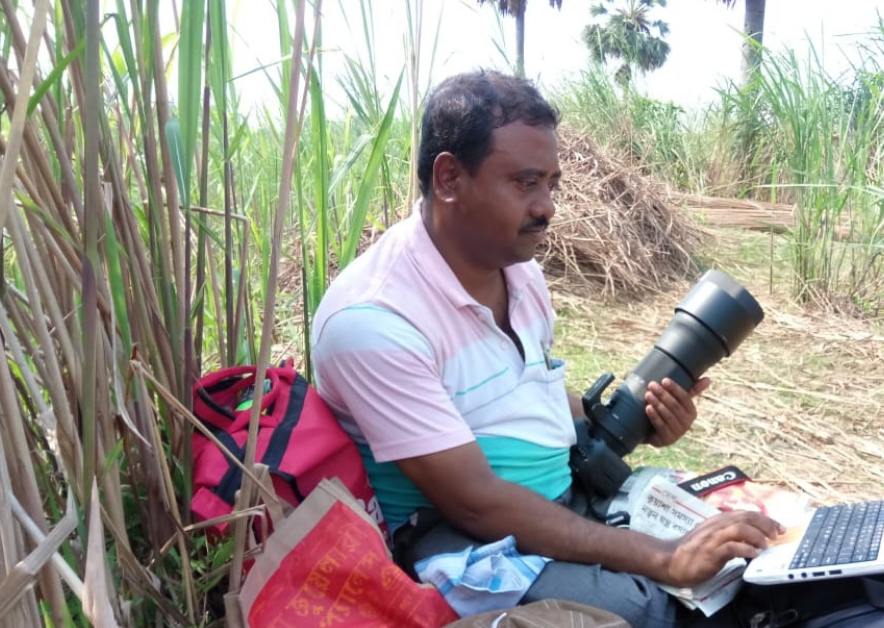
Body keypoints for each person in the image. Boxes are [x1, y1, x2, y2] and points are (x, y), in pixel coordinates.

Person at [310, 69, 781, 628]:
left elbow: (526, 394)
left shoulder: (518, 272)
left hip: (559, 499)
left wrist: (645, 416)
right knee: (651, 610)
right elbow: (474, 501)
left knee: (748, 560)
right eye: (525, 182)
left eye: (552, 183)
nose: (548, 206)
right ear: (449, 178)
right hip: (460, 544)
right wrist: (664, 558)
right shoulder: (373, 320)